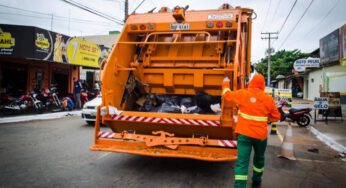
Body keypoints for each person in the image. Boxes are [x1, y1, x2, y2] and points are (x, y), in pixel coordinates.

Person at [222, 74, 281, 188]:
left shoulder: (243, 94)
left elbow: (227, 95)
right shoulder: (268, 99)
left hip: (244, 135)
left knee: (242, 163)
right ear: (263, 85)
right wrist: (267, 117)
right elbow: (276, 117)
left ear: (251, 83)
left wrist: (225, 82)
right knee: (259, 159)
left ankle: (239, 186)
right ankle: (256, 182)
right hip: (260, 137)